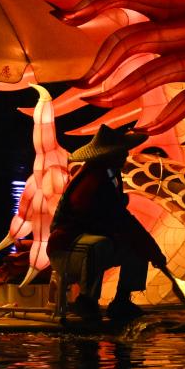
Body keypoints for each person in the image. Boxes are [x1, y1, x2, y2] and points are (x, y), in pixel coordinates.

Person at [46, 123, 167, 324]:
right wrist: (150, 249)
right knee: (99, 244)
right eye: (121, 152)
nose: (126, 155)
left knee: (136, 249)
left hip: (91, 244)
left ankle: (122, 301)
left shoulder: (110, 175)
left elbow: (120, 218)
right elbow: (113, 218)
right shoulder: (92, 181)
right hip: (66, 248)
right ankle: (87, 301)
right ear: (109, 155)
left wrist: (149, 250)